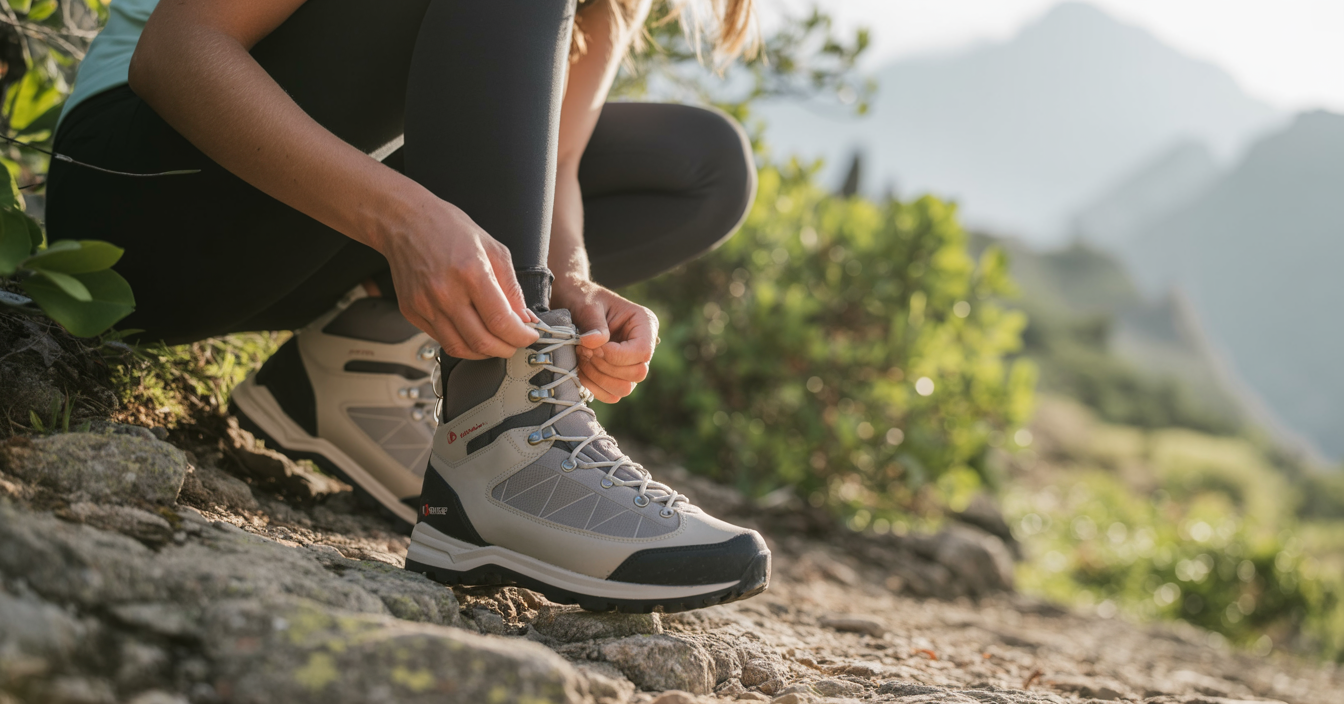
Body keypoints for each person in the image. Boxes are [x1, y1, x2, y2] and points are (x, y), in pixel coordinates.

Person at [45, 0, 770, 612]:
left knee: (704, 164)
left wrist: (569, 281)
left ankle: (362, 352)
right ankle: (506, 443)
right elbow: (176, 52)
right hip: (138, 210)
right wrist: (401, 218)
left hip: (287, 244)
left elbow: (557, 163)